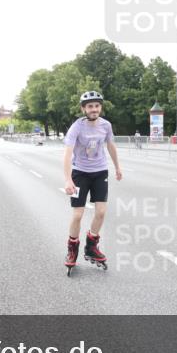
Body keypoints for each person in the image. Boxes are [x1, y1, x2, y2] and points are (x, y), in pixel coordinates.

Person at [62, 90, 122, 274]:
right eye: (90, 106)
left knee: (101, 212)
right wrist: (68, 179)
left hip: (100, 172)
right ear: (83, 108)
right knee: (78, 215)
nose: (94, 109)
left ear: (100, 107)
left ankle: (91, 246)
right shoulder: (77, 127)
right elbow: (67, 153)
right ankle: (72, 250)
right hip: (80, 173)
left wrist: (117, 167)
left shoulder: (106, 125)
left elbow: (110, 145)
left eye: (96, 106)